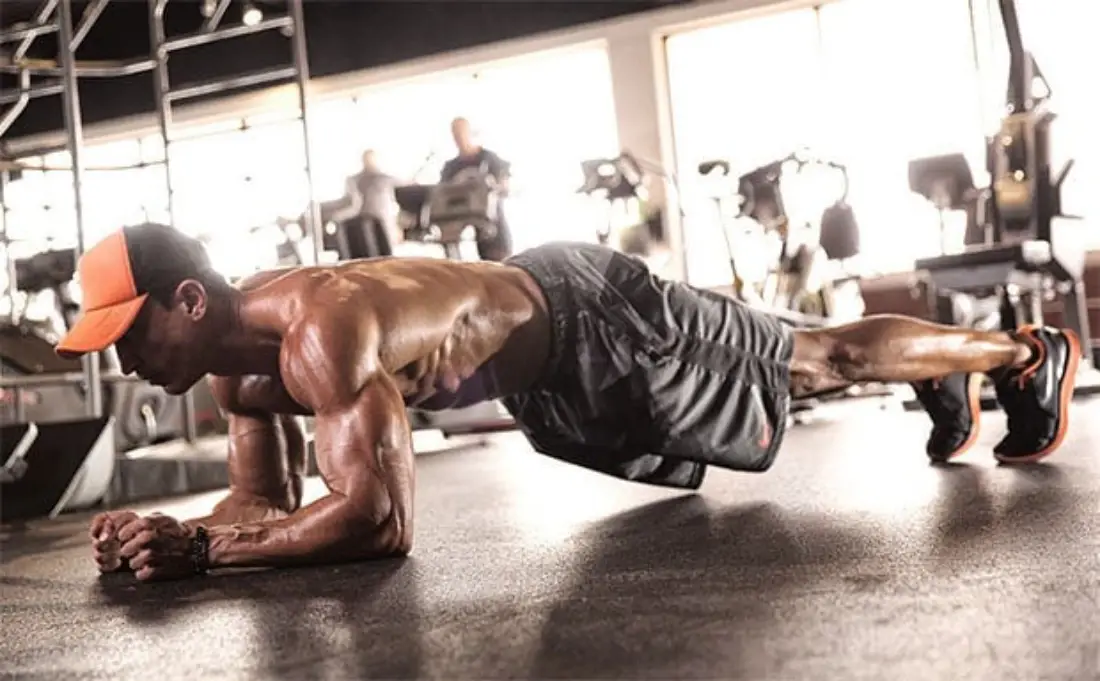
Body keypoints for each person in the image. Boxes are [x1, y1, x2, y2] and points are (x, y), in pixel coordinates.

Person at [62, 224, 1079, 582]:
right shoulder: (238, 371)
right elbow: (257, 514)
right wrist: (166, 535)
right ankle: (939, 372)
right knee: (794, 357)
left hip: (593, 320)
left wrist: (201, 554)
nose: (126, 360)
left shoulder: (320, 330)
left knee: (810, 362)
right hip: (554, 379)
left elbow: (378, 524)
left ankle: (1020, 353)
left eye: (131, 334)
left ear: (188, 300)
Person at [439, 117, 513, 262]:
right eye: (455, 134)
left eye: (462, 133)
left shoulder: (489, 159)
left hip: (491, 224)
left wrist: (495, 187)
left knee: (498, 259)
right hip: (458, 221)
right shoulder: (450, 168)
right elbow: (441, 194)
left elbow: (505, 186)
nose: (459, 138)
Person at [317, 149, 400, 259]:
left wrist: (397, 226)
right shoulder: (354, 180)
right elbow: (351, 203)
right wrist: (336, 216)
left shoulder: (386, 179)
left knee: (384, 258)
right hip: (362, 224)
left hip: (383, 225)